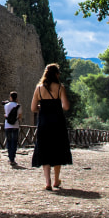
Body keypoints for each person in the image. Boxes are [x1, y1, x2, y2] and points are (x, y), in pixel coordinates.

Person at [31, 63, 72, 191]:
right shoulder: (60, 88)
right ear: (56, 74)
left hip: (44, 123)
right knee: (57, 149)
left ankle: (47, 181)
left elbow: (33, 108)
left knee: (45, 150)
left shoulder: (38, 89)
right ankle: (56, 180)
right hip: (57, 123)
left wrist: (43, 107)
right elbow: (65, 106)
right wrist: (55, 107)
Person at [4, 91, 23, 165]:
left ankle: (10, 158)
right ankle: (13, 159)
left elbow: (6, 114)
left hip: (7, 125)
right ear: (16, 98)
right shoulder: (19, 106)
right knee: (14, 142)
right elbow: (20, 117)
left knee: (9, 141)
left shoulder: (6, 105)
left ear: (10, 97)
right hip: (15, 126)